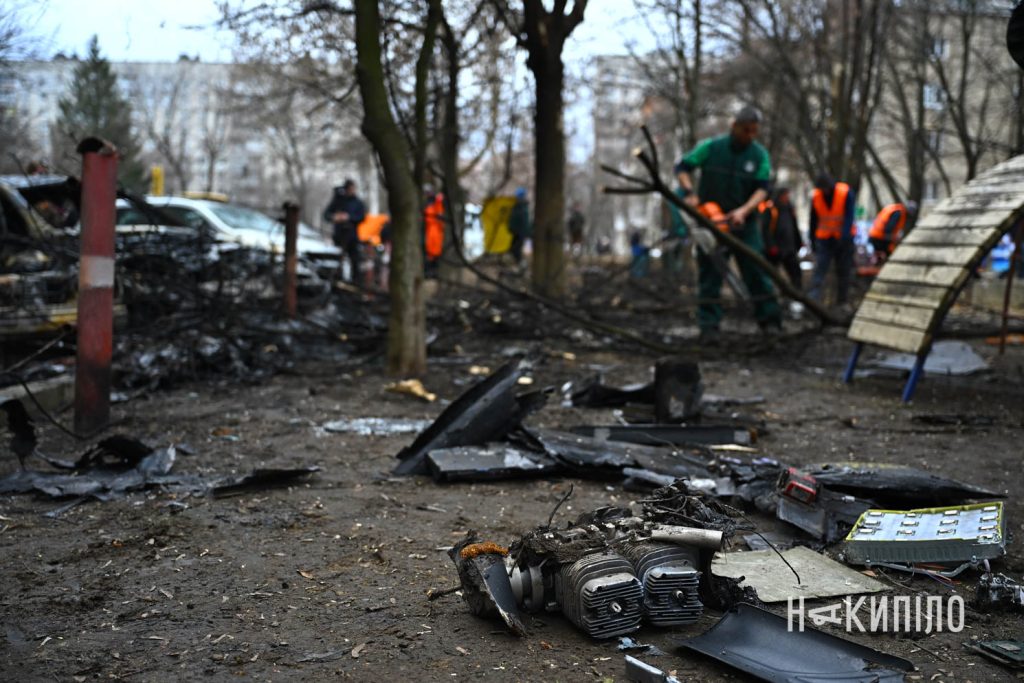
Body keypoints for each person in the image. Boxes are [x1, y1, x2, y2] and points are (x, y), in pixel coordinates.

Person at [674, 105, 782, 342]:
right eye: (746, 130)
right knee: (709, 273)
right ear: (735, 126)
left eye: (754, 131)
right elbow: (682, 167)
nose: (750, 136)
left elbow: (763, 189)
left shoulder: (759, 155)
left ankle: (770, 321)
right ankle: (709, 325)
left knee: (756, 270)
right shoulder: (711, 148)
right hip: (711, 224)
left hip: (744, 225)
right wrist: (689, 192)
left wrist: (744, 211)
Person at [807, 172, 856, 306]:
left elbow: (849, 217)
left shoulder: (845, 192)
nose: (825, 191)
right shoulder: (816, 196)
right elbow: (813, 220)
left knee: (844, 271)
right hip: (825, 240)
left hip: (844, 241)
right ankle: (813, 300)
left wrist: (844, 237)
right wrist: (812, 240)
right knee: (820, 269)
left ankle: (842, 301)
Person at [323, 179, 366, 283]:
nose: (352, 191)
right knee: (338, 261)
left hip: (352, 237)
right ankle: (337, 280)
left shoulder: (358, 202)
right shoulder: (338, 201)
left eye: (353, 189)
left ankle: (355, 282)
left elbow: (362, 217)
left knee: (355, 261)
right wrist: (335, 217)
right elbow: (326, 215)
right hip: (339, 236)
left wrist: (349, 217)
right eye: (350, 189)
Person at [762, 187, 803, 289]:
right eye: (785, 195)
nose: (787, 197)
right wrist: (771, 245)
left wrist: (799, 242)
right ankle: (770, 292)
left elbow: (794, 227)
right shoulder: (771, 209)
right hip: (776, 249)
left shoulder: (790, 209)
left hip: (789, 248)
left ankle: (796, 293)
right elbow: (765, 230)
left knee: (795, 272)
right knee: (771, 273)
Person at [423, 185, 445, 278]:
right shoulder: (428, 204)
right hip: (430, 231)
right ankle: (429, 272)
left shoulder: (436, 203)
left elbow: (439, 215)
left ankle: (433, 272)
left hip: (435, 231)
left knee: (434, 252)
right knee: (430, 252)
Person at [508, 187, 531, 266]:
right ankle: (519, 263)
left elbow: (524, 221)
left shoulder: (522, 207)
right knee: (513, 249)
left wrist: (527, 232)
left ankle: (521, 264)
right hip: (516, 232)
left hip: (520, 232)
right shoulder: (517, 206)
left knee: (516, 249)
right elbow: (513, 219)